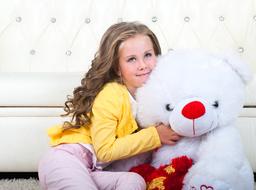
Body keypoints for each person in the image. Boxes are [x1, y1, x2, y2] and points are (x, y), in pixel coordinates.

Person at [38, 21, 180, 190]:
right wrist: (155, 135)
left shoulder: (153, 95)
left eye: (148, 55)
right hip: (66, 160)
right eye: (132, 59)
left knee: (134, 181)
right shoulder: (111, 94)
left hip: (94, 170)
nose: (143, 65)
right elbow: (104, 151)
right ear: (117, 68)